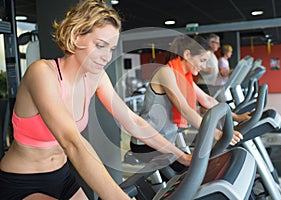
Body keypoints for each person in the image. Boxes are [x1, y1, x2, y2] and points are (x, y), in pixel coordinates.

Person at [0, 1, 192, 199]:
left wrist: (180, 156)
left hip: (63, 176)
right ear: (76, 37)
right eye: (100, 45)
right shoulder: (42, 73)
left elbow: (132, 122)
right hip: (23, 181)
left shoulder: (96, 77)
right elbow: (71, 141)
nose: (106, 56)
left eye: (111, 49)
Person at [130, 35, 251, 173]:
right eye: (202, 60)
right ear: (187, 54)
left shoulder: (184, 77)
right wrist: (216, 133)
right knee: (192, 172)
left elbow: (207, 100)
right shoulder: (166, 73)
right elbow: (185, 110)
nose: (203, 66)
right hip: (146, 144)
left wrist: (237, 117)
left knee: (196, 170)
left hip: (165, 141)